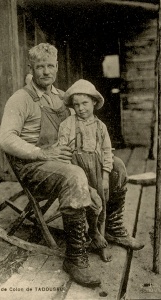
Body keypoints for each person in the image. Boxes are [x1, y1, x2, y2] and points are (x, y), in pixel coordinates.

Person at [0, 43, 144, 288]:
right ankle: (75, 256)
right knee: (74, 175)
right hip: (35, 167)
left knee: (117, 166)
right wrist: (40, 152)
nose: (46, 72)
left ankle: (113, 227)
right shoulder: (20, 99)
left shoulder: (63, 97)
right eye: (40, 67)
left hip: (66, 160)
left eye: (50, 66)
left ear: (56, 67)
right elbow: (6, 138)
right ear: (31, 68)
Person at [58, 79, 113, 262]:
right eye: (76, 105)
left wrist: (105, 176)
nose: (81, 108)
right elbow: (63, 152)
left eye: (85, 103)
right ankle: (81, 240)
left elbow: (106, 152)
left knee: (100, 204)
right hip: (76, 168)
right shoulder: (67, 125)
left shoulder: (100, 127)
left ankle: (98, 236)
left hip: (96, 169)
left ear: (94, 103)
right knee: (84, 203)